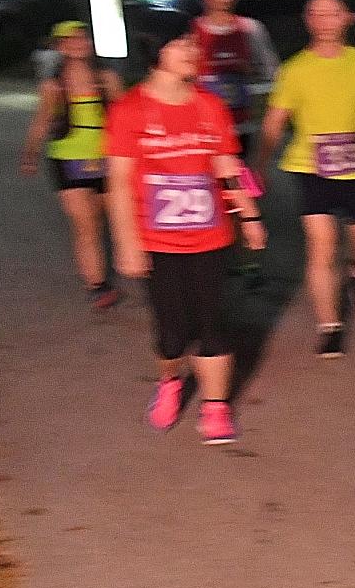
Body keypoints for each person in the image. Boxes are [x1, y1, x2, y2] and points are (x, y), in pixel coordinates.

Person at [105, 36, 266, 444]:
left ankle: (215, 407)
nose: (193, 53)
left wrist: (249, 215)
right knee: (172, 331)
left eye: (194, 46)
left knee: (213, 324)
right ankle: (170, 383)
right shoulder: (130, 109)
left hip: (210, 235)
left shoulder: (209, 105)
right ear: (156, 52)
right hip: (158, 240)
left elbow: (228, 165)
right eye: (181, 46)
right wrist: (127, 244)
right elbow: (120, 183)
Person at [255, 0, 355, 358]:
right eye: (316, 14)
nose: (325, 20)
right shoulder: (295, 69)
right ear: (308, 21)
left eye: (333, 14)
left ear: (348, 19)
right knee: (322, 247)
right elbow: (275, 120)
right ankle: (329, 325)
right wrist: (259, 166)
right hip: (310, 168)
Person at [19, 20, 125, 308]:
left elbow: (125, 119)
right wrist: (29, 156)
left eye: (82, 37)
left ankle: (127, 267)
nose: (77, 42)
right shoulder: (53, 86)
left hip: (105, 160)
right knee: (85, 224)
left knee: (111, 219)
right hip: (68, 160)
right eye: (70, 39)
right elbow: (41, 122)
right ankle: (97, 284)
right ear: (59, 47)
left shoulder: (107, 79)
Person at [191, 0, 280, 160]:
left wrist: (247, 74)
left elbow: (272, 74)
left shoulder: (251, 29)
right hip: (202, 130)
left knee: (240, 186)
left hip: (242, 128)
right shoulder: (191, 32)